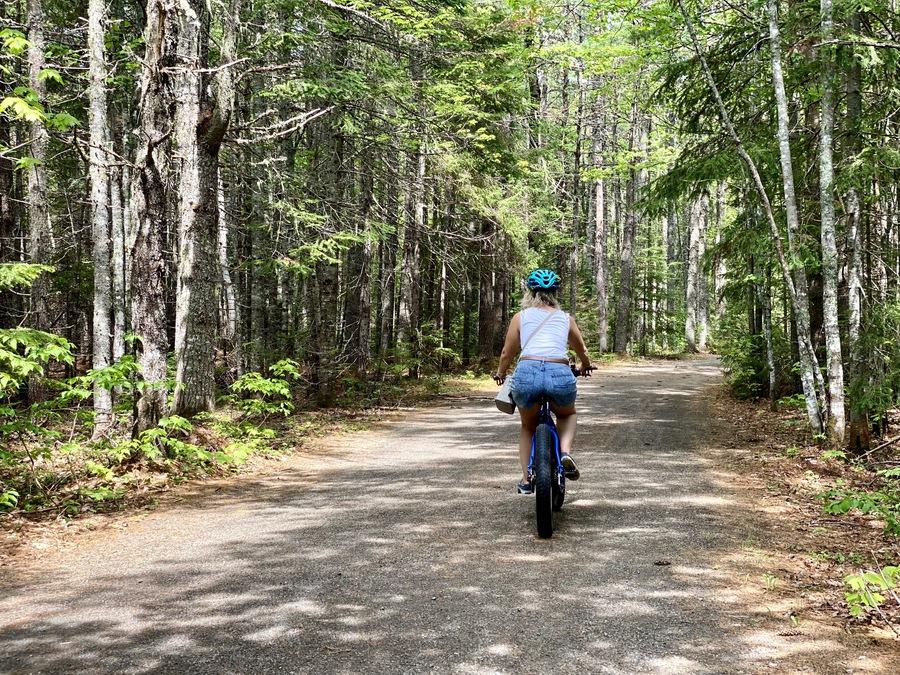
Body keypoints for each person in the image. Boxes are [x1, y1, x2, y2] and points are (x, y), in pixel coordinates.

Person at [492, 269, 593, 494]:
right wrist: (585, 365)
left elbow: (506, 353)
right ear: (555, 293)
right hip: (559, 372)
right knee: (567, 414)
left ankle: (527, 480)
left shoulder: (521, 317)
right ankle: (565, 453)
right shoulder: (566, 318)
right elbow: (581, 350)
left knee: (528, 426)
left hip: (527, 373)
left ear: (531, 292)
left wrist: (500, 373)